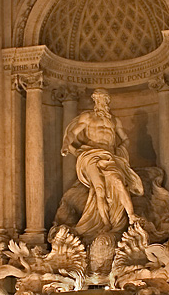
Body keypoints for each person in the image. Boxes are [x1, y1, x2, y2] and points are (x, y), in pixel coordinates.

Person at [60, 89, 143, 242]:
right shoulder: (88, 117)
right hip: (91, 154)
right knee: (99, 188)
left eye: (104, 99)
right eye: (98, 99)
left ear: (107, 101)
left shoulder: (114, 121)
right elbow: (72, 133)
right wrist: (66, 145)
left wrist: (121, 149)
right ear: (94, 101)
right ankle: (105, 224)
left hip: (110, 156)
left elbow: (125, 139)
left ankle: (131, 216)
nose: (101, 102)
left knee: (118, 182)